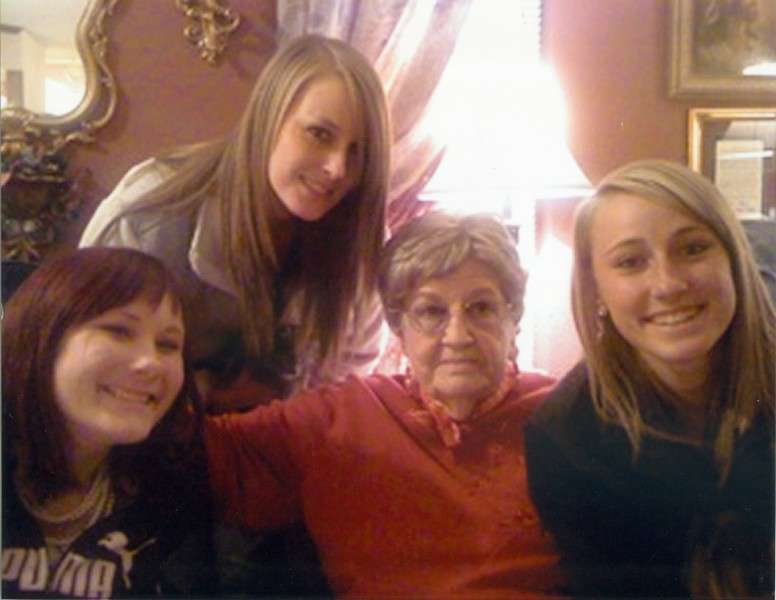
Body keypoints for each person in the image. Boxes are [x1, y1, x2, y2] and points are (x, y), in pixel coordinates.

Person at [204, 212, 565, 598]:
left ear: (513, 320)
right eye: (431, 312)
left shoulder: (564, 416)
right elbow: (197, 455)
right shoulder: (341, 418)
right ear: (398, 329)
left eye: (481, 308)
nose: (458, 336)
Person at [79, 34, 391, 403]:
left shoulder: (361, 244)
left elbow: (342, 393)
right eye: (319, 134)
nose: (337, 168)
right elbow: (94, 365)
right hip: (148, 424)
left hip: (285, 434)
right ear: (268, 116)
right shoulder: (150, 214)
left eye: (357, 152)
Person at [524, 160, 775, 599]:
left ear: (734, 261)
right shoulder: (568, 437)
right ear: (596, 292)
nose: (668, 284)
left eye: (693, 249)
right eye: (630, 262)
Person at [2, 247, 214, 598]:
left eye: (167, 344)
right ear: (39, 338)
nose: (151, 363)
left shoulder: (173, 485)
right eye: (118, 331)